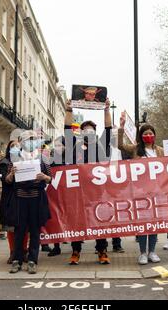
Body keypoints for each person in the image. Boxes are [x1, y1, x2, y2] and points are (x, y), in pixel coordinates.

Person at [65, 98, 112, 265]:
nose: (88, 132)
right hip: (79, 192)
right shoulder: (74, 146)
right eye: (85, 129)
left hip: (98, 192)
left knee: (99, 221)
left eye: (91, 130)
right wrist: (69, 110)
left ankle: (102, 250)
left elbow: (108, 128)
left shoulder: (101, 145)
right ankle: (76, 251)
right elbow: (67, 129)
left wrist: (106, 110)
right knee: (78, 221)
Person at [119, 112, 162, 265]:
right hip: (140, 192)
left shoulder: (160, 151)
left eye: (151, 133)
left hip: (157, 191)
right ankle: (143, 253)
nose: (148, 136)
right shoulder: (136, 149)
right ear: (141, 136)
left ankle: (152, 251)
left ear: (154, 136)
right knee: (143, 224)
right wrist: (121, 128)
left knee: (154, 224)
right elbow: (120, 146)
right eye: (145, 133)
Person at [7, 130, 52, 274]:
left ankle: (32, 260)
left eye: (33, 140)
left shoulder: (42, 159)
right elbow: (7, 180)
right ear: (21, 142)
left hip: (36, 199)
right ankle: (17, 260)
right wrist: (12, 174)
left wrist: (44, 176)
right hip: (20, 199)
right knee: (19, 231)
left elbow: (50, 178)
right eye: (27, 140)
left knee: (35, 231)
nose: (30, 143)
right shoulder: (15, 158)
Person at [0, 140, 29, 264]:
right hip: (9, 197)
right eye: (12, 146)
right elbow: (5, 180)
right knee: (11, 227)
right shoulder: (4, 163)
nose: (15, 148)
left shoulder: (25, 161)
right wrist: (11, 174)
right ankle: (13, 252)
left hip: (23, 197)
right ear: (9, 149)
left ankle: (24, 251)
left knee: (24, 226)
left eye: (17, 146)